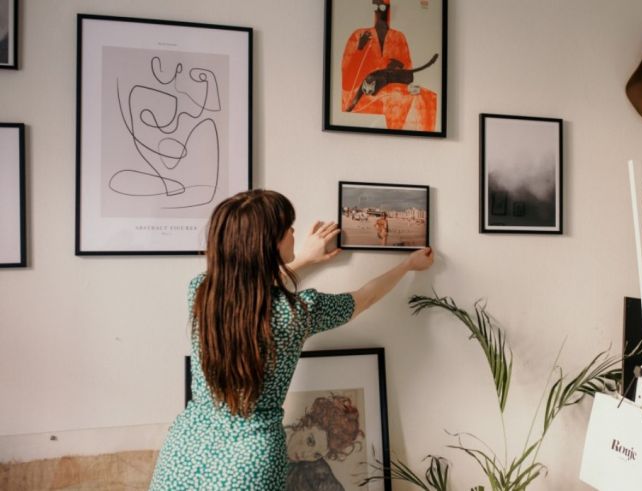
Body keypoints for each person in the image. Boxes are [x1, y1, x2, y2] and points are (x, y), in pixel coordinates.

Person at [149, 189, 434, 489]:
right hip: (250, 461)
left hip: (184, 450)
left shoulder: (201, 292)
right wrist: (407, 266)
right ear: (268, 245)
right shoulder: (298, 312)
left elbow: (249, 289)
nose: (294, 233)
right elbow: (365, 298)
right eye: (288, 228)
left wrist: (305, 261)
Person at [340, 0, 438, 131]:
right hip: (363, 93)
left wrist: (399, 67)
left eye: (382, 7)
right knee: (396, 99)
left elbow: (409, 76)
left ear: (390, 10)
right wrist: (360, 49)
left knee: (426, 96)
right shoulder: (359, 35)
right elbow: (346, 77)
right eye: (376, 6)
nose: (378, 11)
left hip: (392, 91)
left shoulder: (398, 37)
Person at [285, 393, 364, 491]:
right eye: (310, 441)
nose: (306, 455)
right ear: (306, 423)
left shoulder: (312, 467)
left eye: (316, 455)